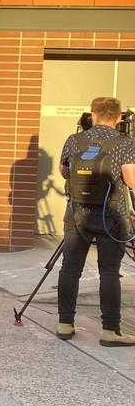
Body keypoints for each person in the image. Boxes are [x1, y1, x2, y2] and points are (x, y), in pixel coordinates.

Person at [57, 96, 135, 346]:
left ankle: (65, 324)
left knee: (70, 269)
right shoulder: (124, 143)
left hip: (77, 213)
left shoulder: (75, 139)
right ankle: (110, 331)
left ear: (92, 115)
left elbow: (65, 171)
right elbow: (131, 180)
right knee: (109, 272)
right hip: (111, 215)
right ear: (119, 117)